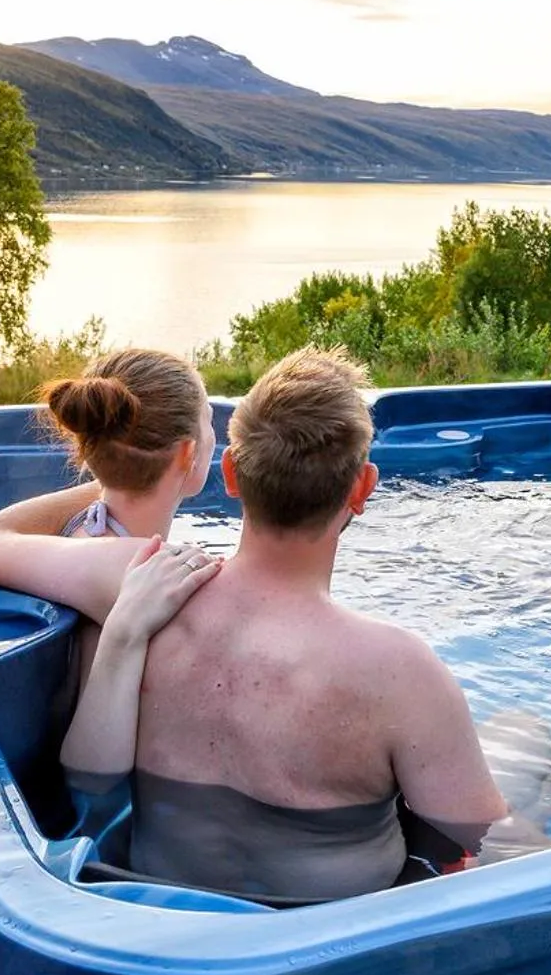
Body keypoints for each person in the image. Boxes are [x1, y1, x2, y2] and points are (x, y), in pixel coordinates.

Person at [60, 347, 508, 902]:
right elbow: (484, 850)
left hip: (161, 915)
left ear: (230, 474)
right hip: (331, 944)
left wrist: (111, 467)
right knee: (527, 740)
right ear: (362, 488)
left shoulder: (139, 591)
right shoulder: (401, 673)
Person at [0, 347, 223, 641]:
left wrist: (111, 474)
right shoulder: (140, 567)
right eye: (209, 419)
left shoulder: (84, 535)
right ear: (188, 453)